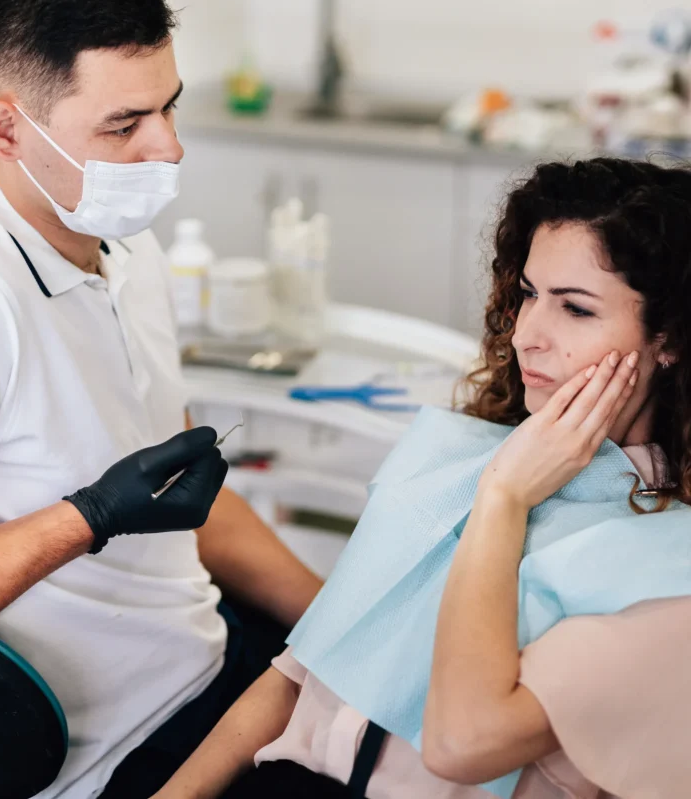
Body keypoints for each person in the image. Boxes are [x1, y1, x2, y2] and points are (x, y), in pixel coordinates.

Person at [0, 0, 322, 797]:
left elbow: (180, 496)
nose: (169, 146)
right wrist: (84, 518)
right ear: (8, 130)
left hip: (204, 659)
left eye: (169, 106)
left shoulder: (128, 247)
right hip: (112, 751)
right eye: (125, 126)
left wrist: (335, 616)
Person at [154, 157, 691, 799]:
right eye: (527, 294)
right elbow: (300, 672)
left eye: (575, 309)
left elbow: (462, 744)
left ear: (670, 338)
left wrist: (504, 499)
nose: (527, 336)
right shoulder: (454, 461)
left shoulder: (666, 571)